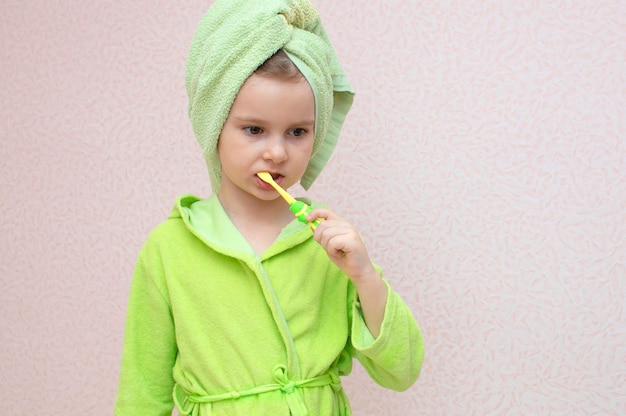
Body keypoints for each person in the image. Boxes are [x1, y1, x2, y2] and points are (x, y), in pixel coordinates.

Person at [114, 1, 424, 415]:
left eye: (297, 132)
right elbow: (141, 392)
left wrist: (365, 277)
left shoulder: (332, 245)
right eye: (254, 130)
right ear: (214, 126)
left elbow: (400, 372)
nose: (277, 152)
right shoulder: (168, 249)